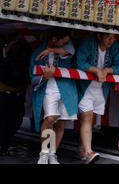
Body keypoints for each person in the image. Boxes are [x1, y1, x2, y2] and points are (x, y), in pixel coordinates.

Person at [74, 33, 119, 164]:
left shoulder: (114, 47)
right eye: (108, 36)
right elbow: (79, 62)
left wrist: (106, 70)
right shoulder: (87, 43)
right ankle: (89, 152)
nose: (111, 40)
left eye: (113, 37)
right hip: (86, 87)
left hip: (101, 88)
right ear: (99, 35)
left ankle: (81, 148)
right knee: (86, 117)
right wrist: (96, 70)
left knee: (90, 119)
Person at [29, 28, 77, 164]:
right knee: (50, 119)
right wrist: (44, 76)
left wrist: (50, 50)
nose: (66, 43)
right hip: (48, 90)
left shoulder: (64, 47)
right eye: (64, 41)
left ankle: (53, 153)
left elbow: (70, 51)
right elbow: (32, 79)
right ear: (54, 39)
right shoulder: (37, 54)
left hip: (67, 89)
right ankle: (44, 152)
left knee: (61, 123)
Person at [0, 33, 31, 156]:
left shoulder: (23, 53)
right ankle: (3, 144)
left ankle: (5, 141)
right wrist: (12, 42)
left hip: (17, 93)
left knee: (17, 118)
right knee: (4, 120)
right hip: (3, 93)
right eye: (15, 44)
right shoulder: (4, 53)